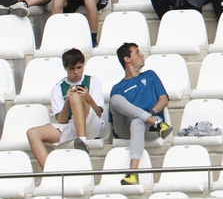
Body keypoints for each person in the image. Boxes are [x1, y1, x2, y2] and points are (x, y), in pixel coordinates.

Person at [27, 47, 107, 169]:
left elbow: (99, 112)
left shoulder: (93, 81)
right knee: (32, 133)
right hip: (71, 124)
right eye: (72, 69)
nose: (76, 72)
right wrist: (67, 102)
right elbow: (61, 120)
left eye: (79, 68)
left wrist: (88, 98)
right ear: (66, 68)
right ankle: (49, 173)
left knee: (75, 96)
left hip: (93, 123)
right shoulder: (58, 88)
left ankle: (83, 141)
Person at [108, 42, 173, 186]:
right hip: (126, 128)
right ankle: (155, 122)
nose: (142, 55)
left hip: (149, 128)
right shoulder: (117, 87)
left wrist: (150, 114)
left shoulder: (150, 76)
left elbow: (163, 100)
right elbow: (114, 117)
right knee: (115, 99)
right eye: (137, 52)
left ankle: (133, 173)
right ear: (127, 59)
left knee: (138, 121)